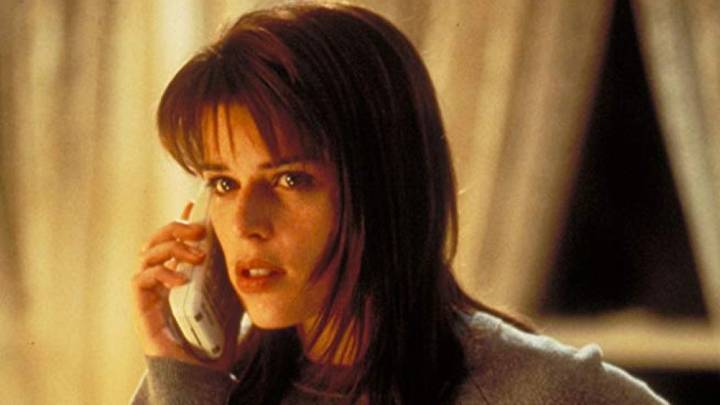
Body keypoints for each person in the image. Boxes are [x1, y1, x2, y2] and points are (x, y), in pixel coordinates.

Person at [130, 2, 668, 404]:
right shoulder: (199, 384)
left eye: (291, 179)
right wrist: (188, 383)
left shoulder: (533, 390)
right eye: (223, 183)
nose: (246, 223)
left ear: (382, 187)